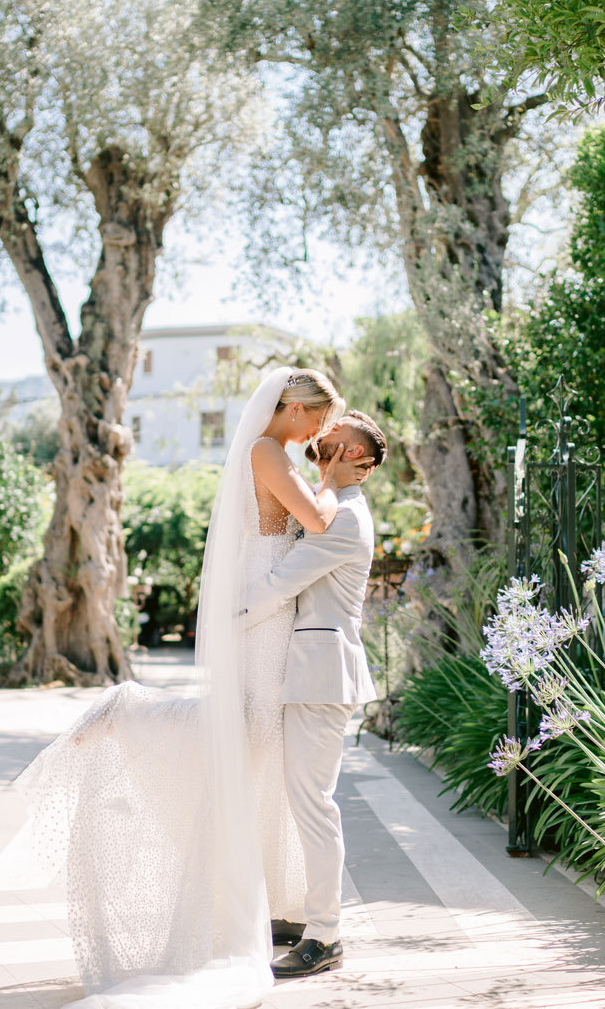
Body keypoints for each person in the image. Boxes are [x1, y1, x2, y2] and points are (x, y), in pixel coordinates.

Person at [13, 367, 370, 1009]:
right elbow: (316, 523)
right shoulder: (268, 451)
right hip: (263, 617)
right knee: (238, 740)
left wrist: (329, 469)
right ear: (293, 407)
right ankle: (132, 709)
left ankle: (270, 907)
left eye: (328, 429)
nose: (319, 432)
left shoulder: (277, 453)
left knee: (255, 760)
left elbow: (316, 524)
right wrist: (329, 472)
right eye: (318, 419)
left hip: (276, 621)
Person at [241, 411, 386, 979]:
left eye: (337, 438)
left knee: (314, 804)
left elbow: (284, 582)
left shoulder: (347, 519)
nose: (324, 439)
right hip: (308, 672)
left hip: (324, 675)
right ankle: (306, 917)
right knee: (303, 799)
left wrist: (228, 616)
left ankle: (325, 936)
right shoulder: (329, 509)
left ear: (360, 460)